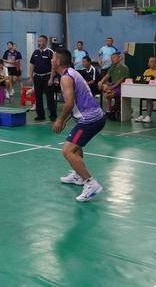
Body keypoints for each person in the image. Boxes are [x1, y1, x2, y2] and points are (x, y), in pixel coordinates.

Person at [53, 48, 106, 202]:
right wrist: (66, 120)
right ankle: (78, 175)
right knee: (76, 147)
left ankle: (91, 183)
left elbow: (69, 103)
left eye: (53, 58)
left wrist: (60, 120)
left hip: (90, 119)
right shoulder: (72, 73)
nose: (51, 60)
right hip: (93, 116)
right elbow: (76, 101)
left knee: (67, 151)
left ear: (58, 61)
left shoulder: (66, 78)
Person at [29, 35, 56, 122]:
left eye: (41, 41)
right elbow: (32, 64)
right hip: (37, 77)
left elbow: (54, 67)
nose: (39, 43)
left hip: (47, 77)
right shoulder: (35, 52)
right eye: (38, 41)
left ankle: (53, 115)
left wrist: (51, 78)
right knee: (38, 96)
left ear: (45, 42)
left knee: (49, 97)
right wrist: (30, 76)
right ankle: (40, 115)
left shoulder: (50, 52)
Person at [134, 57, 156, 123]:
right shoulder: (147, 71)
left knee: (148, 96)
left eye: (151, 62)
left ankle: (148, 116)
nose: (149, 63)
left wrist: (151, 81)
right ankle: (142, 116)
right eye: (149, 61)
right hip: (148, 90)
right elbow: (142, 80)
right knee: (147, 95)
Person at [98, 52, 129, 120]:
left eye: (114, 57)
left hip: (122, 87)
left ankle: (112, 108)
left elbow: (120, 80)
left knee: (108, 94)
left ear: (119, 58)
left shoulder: (124, 67)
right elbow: (107, 76)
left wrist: (111, 87)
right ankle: (109, 109)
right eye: (111, 58)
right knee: (105, 89)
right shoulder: (112, 67)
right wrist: (101, 82)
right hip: (113, 86)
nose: (112, 59)